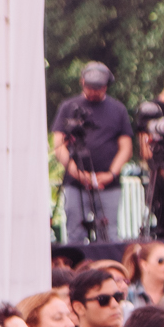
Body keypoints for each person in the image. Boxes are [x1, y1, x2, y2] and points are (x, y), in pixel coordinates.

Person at [50, 63, 134, 245]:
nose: (94, 91)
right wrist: (77, 173)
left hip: (108, 185)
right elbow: (58, 144)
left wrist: (110, 174)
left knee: (109, 233)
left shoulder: (118, 109)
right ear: (82, 82)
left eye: (99, 88)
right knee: (75, 233)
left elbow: (126, 147)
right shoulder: (68, 107)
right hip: (75, 183)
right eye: (90, 87)